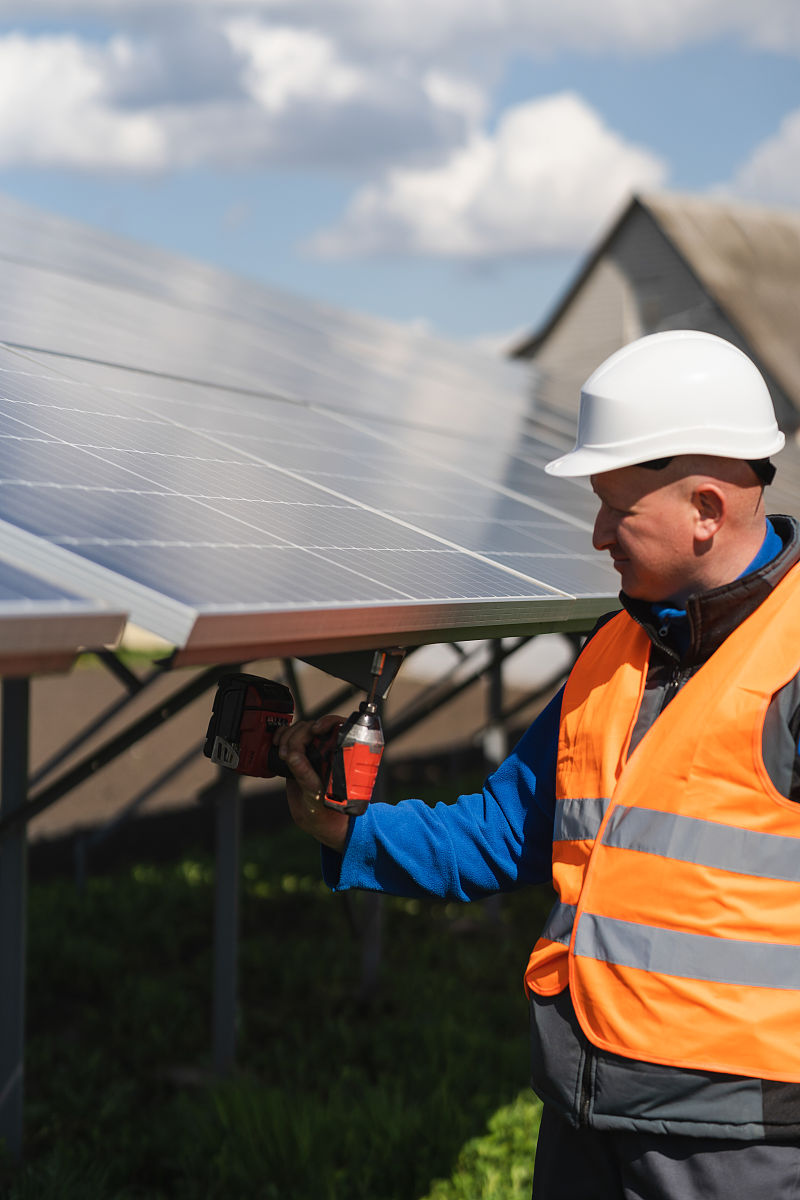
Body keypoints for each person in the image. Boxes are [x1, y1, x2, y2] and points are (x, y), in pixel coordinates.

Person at [273, 329, 800, 1199]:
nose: (596, 536)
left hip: (737, 1148)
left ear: (706, 508)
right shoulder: (613, 649)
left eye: (615, 509)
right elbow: (504, 830)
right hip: (583, 1114)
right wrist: (347, 827)